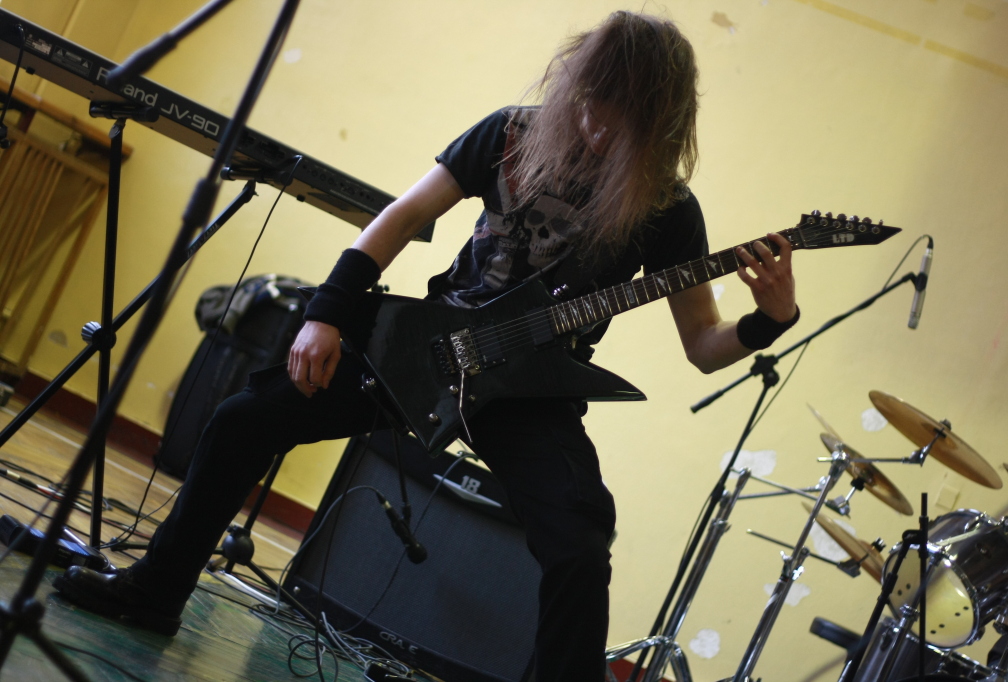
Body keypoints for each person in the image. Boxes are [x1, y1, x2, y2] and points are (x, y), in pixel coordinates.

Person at [55, 11, 798, 682]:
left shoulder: (667, 207)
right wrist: (326, 314)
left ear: (659, 126)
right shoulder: (510, 135)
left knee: (578, 542)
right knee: (244, 418)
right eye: (591, 112)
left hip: (531, 389)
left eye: (621, 127)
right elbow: (403, 216)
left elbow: (703, 345)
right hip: (423, 351)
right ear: (576, 88)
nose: (599, 136)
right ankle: (154, 593)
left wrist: (770, 318)